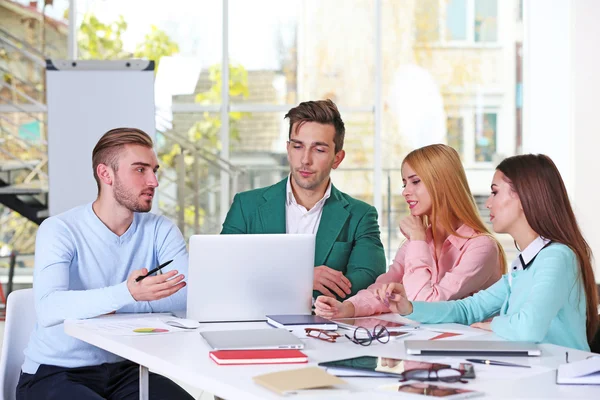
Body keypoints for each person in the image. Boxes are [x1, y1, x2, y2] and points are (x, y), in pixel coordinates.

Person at [17, 128, 194, 399]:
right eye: (140, 170)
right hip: (56, 371)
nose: (154, 181)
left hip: (128, 369)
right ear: (105, 174)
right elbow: (49, 308)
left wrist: (107, 306)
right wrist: (127, 292)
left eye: (154, 170)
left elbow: (186, 296)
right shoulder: (60, 229)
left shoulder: (161, 229)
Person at [380, 154, 598, 351]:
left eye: (495, 192)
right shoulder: (524, 265)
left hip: (561, 381)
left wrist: (492, 324)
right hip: (533, 371)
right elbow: (468, 309)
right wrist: (409, 308)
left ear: (523, 197)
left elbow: (528, 328)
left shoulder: (557, 256)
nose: (488, 204)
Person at [315, 144, 505, 319]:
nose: (405, 191)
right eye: (405, 183)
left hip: (467, 350)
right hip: (427, 344)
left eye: (415, 182)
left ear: (442, 184)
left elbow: (425, 303)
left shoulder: (481, 246)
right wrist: (346, 308)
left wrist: (418, 239)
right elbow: (382, 289)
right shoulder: (416, 243)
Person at [221, 100, 386, 299]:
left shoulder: (361, 215)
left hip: (325, 325)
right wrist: (302, 279)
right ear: (288, 149)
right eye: (298, 146)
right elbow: (225, 272)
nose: (305, 160)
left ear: (337, 158)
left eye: (319, 150)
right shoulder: (246, 206)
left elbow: (368, 280)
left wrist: (270, 280)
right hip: (256, 321)